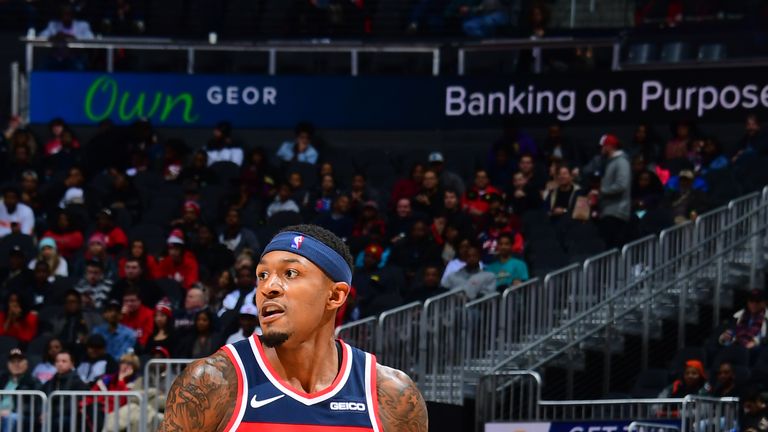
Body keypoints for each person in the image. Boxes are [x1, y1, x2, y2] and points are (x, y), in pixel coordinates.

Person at [159, 224, 427, 431]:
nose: (268, 287)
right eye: (262, 275)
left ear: (335, 296)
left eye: (290, 273)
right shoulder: (211, 383)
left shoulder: (391, 394)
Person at [595, 134, 631, 248]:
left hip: (617, 211)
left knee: (613, 246)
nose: (601, 149)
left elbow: (621, 185)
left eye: (603, 146)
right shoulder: (611, 162)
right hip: (608, 211)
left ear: (609, 146)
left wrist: (601, 191)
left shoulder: (621, 162)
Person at [42, 351, 88, 432]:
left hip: (71, 418)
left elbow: (74, 405)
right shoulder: (51, 382)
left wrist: (51, 414)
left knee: (58, 422)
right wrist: (42, 412)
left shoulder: (78, 383)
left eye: (64, 361)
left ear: (72, 364)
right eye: (57, 361)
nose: (60, 364)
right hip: (52, 416)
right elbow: (41, 398)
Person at [0, 348, 40, 432]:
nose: (16, 364)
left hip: (19, 415)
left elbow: (35, 404)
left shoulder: (32, 381)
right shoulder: (2, 379)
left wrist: (11, 411)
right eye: (13, 362)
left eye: (19, 361)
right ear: (7, 364)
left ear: (26, 363)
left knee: (10, 418)